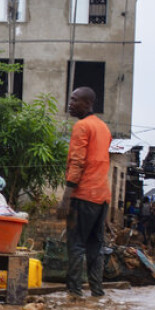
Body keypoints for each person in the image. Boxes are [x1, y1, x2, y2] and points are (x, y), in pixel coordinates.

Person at [56, 87, 112, 297]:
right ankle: (97, 291)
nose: (70, 103)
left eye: (74, 100)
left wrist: (65, 199)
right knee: (96, 247)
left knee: (76, 244)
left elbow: (77, 163)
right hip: (101, 198)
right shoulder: (104, 128)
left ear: (87, 104)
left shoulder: (82, 126)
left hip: (83, 195)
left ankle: (74, 292)